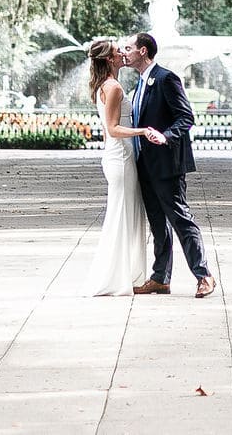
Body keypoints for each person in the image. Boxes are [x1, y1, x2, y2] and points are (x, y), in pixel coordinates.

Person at [121, 32, 218, 299]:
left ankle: (204, 275)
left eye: (128, 48)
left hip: (167, 165)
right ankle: (160, 278)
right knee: (157, 225)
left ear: (143, 51)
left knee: (181, 220)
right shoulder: (140, 83)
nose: (123, 52)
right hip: (145, 166)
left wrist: (166, 137)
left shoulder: (166, 78)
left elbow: (186, 117)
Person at [83, 39, 162, 296]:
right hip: (122, 157)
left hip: (116, 156)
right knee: (122, 216)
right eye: (119, 52)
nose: (123, 54)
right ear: (109, 59)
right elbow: (113, 129)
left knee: (125, 214)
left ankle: (126, 274)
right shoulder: (114, 87)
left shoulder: (104, 86)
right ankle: (119, 277)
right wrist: (143, 131)